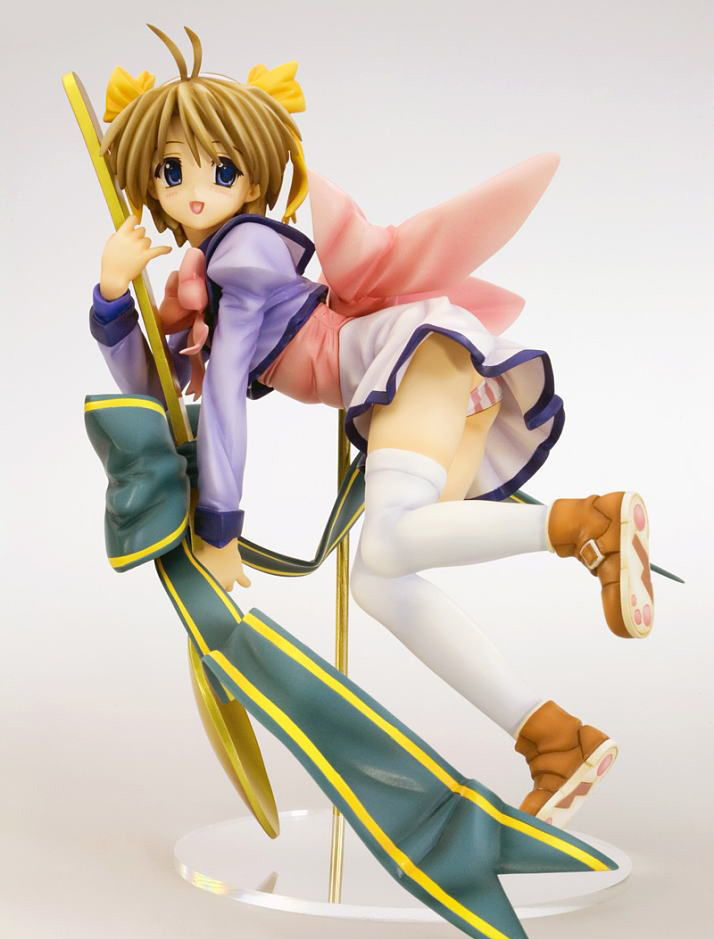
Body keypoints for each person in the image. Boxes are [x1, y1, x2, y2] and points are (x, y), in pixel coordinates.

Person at [90, 25, 653, 829]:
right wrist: (115, 295)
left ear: (255, 178)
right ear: (151, 182)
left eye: (221, 169)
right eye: (172, 172)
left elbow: (222, 397)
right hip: (414, 380)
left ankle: (587, 525)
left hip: (409, 361)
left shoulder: (242, 256)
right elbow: (157, 386)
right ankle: (555, 739)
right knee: (383, 580)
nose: (196, 191)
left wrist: (220, 526)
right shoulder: (203, 272)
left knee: (387, 542)